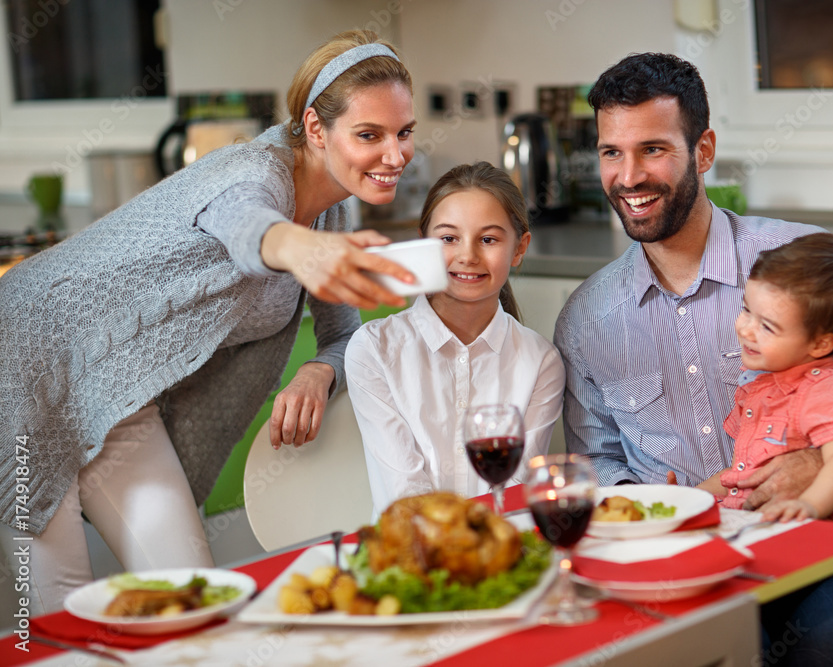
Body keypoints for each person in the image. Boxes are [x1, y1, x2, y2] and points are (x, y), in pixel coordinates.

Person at [0, 29, 419, 613]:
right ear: (317, 129)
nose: (395, 155)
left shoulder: (334, 210)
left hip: (120, 391)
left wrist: (317, 373)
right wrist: (297, 250)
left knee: (193, 592)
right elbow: (250, 227)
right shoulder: (254, 172)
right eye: (370, 135)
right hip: (23, 365)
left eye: (404, 133)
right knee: (49, 618)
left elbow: (343, 335)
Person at [554, 52, 833, 664]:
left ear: (702, 152)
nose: (628, 177)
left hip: (812, 543)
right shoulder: (587, 316)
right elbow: (598, 459)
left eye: (653, 149)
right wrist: (644, 513)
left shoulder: (798, 262)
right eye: (611, 152)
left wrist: (826, 464)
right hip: (672, 563)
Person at [345, 162, 565, 515]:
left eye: (488, 239)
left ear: (519, 248)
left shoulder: (540, 361)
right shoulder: (374, 349)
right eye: (448, 238)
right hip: (411, 554)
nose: (468, 256)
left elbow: (513, 493)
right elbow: (406, 494)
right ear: (423, 244)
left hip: (499, 549)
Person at [697, 233, 833, 523]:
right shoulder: (756, 382)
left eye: (767, 327)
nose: (745, 330)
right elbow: (744, 475)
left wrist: (809, 505)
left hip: (800, 538)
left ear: (820, 344)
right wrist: (689, 497)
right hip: (749, 528)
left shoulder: (824, 389)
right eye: (746, 310)